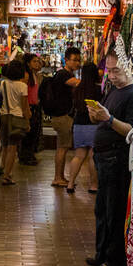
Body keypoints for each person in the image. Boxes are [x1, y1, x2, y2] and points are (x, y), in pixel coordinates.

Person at [86, 52, 133, 266]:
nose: (110, 75)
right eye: (108, 70)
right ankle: (101, 253)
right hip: (103, 157)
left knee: (114, 211)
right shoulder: (114, 89)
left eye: (116, 70)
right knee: (102, 209)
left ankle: (113, 260)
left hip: (116, 158)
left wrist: (108, 120)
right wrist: (97, 116)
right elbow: (105, 117)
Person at [40, 46, 82, 187]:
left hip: (62, 116)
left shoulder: (66, 74)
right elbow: (78, 85)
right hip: (62, 116)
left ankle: (59, 177)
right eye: (74, 60)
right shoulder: (64, 74)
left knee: (62, 147)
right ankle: (58, 177)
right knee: (63, 148)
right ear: (66, 60)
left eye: (79, 60)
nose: (77, 63)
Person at [65, 62, 103, 194]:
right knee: (92, 156)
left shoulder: (78, 88)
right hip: (93, 125)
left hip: (78, 124)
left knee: (78, 155)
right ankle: (93, 185)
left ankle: (70, 184)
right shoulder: (98, 90)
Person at [0, 59, 30, 184]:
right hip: (17, 117)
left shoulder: (3, 83)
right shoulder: (22, 86)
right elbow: (25, 107)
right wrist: (28, 121)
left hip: (4, 116)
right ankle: (7, 176)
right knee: (12, 148)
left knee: (5, 146)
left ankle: (2, 169)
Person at [19, 53, 43, 165]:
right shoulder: (26, 76)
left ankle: (29, 154)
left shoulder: (34, 74)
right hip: (29, 106)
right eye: (34, 61)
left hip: (35, 106)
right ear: (28, 63)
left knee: (34, 132)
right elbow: (23, 93)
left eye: (37, 61)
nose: (37, 63)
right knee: (28, 133)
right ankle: (25, 156)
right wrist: (26, 108)